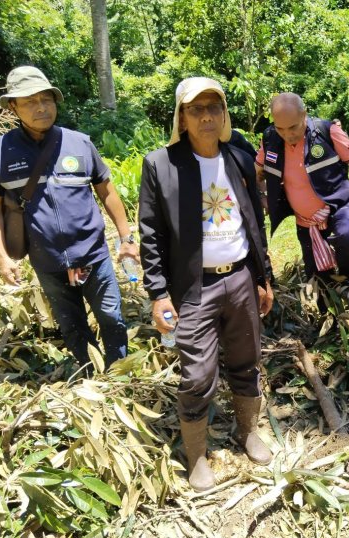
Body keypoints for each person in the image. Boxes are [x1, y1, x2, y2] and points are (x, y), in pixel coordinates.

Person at [138, 77, 274, 491]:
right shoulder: (161, 164)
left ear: (224, 114)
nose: (207, 115)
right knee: (197, 375)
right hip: (194, 288)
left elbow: (254, 220)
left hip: (241, 278)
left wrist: (263, 276)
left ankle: (247, 430)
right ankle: (196, 455)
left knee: (246, 359)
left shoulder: (238, 155)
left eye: (214, 107)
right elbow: (151, 232)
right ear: (181, 117)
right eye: (196, 109)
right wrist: (159, 293)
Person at [0, 66, 136, 371]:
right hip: (47, 261)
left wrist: (126, 238)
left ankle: (119, 374)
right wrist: (1, 258)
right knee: (72, 325)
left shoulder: (79, 143)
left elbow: (107, 191)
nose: (41, 107)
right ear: (12, 106)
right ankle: (88, 373)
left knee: (112, 318)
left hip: (93, 254)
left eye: (46, 99)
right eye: (30, 101)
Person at [256, 93, 349, 287]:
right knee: (317, 277)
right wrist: (263, 195)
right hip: (305, 221)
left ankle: (346, 275)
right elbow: (257, 172)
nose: (287, 135)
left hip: (338, 206)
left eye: (293, 127)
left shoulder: (327, 132)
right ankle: (327, 307)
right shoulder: (270, 139)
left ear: (304, 115)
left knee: (347, 238)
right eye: (280, 129)